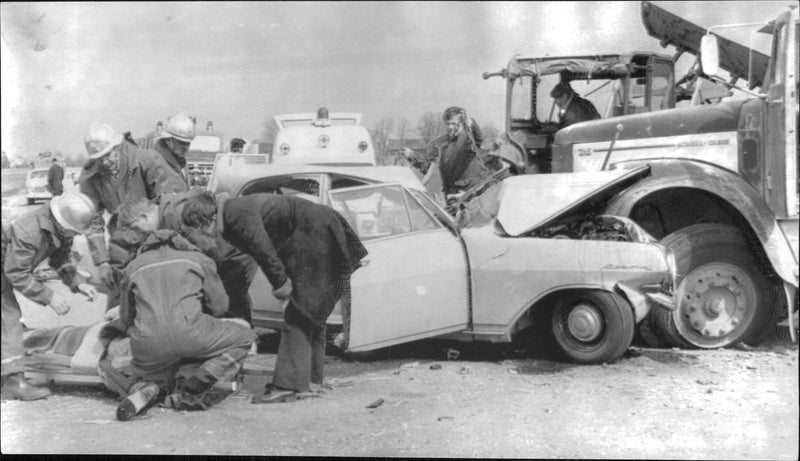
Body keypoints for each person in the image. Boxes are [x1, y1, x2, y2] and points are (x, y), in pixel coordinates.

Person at [179, 191, 367, 404]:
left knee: (300, 311)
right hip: (317, 228)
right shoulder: (233, 211)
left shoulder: (235, 215)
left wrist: (282, 287)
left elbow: (264, 252)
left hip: (314, 232)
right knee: (312, 311)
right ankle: (312, 381)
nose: (198, 240)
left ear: (203, 222)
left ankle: (287, 385)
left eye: (193, 233)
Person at [113, 198, 256, 420]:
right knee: (245, 336)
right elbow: (220, 307)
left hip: (148, 344)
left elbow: (125, 317)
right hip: (193, 334)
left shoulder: (133, 267)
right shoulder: (199, 259)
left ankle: (141, 387)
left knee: (109, 363)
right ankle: (195, 386)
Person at [77, 122, 187, 304]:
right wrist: (102, 261)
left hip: (153, 235)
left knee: (157, 299)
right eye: (99, 158)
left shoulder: (147, 160)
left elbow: (167, 204)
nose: (104, 162)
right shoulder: (91, 177)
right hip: (121, 240)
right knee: (119, 302)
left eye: (108, 155)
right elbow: (94, 220)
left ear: (118, 146)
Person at [1, 192, 97, 401]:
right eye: (74, 231)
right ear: (62, 223)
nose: (77, 235)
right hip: (5, 269)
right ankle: (12, 381)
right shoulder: (29, 230)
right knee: (8, 319)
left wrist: (77, 282)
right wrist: (49, 296)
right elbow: (16, 272)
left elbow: (60, 258)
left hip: (6, 268)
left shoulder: (58, 229)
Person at [418, 106, 499, 197]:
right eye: (447, 124)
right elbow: (430, 169)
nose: (450, 127)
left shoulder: (467, 140)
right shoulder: (440, 142)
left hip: (471, 189)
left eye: (453, 124)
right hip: (451, 191)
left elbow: (478, 139)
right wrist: (418, 186)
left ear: (461, 123)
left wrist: (470, 122)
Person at [153, 113, 195, 188]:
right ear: (168, 140)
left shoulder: (180, 162)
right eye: (181, 143)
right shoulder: (157, 164)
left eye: (188, 143)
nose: (186, 147)